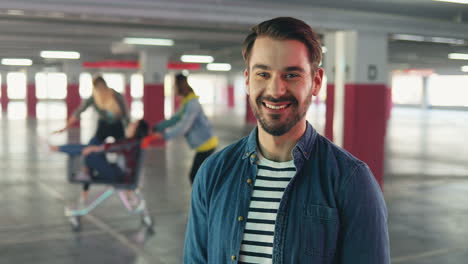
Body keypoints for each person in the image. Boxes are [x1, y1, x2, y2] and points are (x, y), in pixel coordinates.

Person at [183, 17, 390, 263]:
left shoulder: (351, 181)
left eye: (291, 75)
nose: (276, 90)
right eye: (263, 73)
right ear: (248, 80)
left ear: (316, 82)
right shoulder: (213, 173)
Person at [55, 75, 130, 201]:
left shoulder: (116, 95)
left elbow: (125, 116)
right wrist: (66, 127)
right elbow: (80, 111)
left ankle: (127, 188)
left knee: (125, 153)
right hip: (104, 127)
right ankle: (86, 185)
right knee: (90, 150)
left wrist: (130, 135)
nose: (100, 90)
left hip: (116, 127)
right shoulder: (95, 98)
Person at [151, 73, 218, 184]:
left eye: (174, 85)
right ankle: (204, 199)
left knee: (195, 176)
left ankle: (205, 200)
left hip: (207, 144)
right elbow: (175, 118)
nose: (173, 88)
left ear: (179, 86)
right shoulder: (187, 101)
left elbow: (184, 126)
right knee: (197, 177)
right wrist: (158, 127)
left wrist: (165, 135)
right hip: (202, 144)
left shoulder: (192, 104)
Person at [50, 119, 149, 185]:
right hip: (118, 173)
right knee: (92, 145)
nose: (130, 124)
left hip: (118, 176)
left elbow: (112, 147)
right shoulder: (133, 142)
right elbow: (113, 147)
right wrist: (96, 148)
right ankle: (62, 149)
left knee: (90, 151)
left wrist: (95, 149)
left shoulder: (130, 143)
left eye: (133, 124)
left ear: (137, 129)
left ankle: (62, 149)